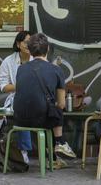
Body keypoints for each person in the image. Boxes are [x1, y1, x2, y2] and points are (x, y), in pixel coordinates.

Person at [12, 33, 77, 168]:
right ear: (47, 49)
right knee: (55, 111)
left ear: (30, 50)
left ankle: (54, 158)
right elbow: (61, 104)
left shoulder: (21, 69)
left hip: (19, 119)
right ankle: (60, 143)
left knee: (49, 112)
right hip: (42, 120)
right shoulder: (56, 70)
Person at [0, 30, 33, 160]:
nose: (29, 45)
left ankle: (55, 152)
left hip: (36, 100)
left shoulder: (38, 59)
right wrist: (21, 86)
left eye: (31, 42)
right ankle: (23, 151)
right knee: (22, 109)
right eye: (26, 42)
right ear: (18, 44)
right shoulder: (8, 61)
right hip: (17, 100)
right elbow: (3, 86)